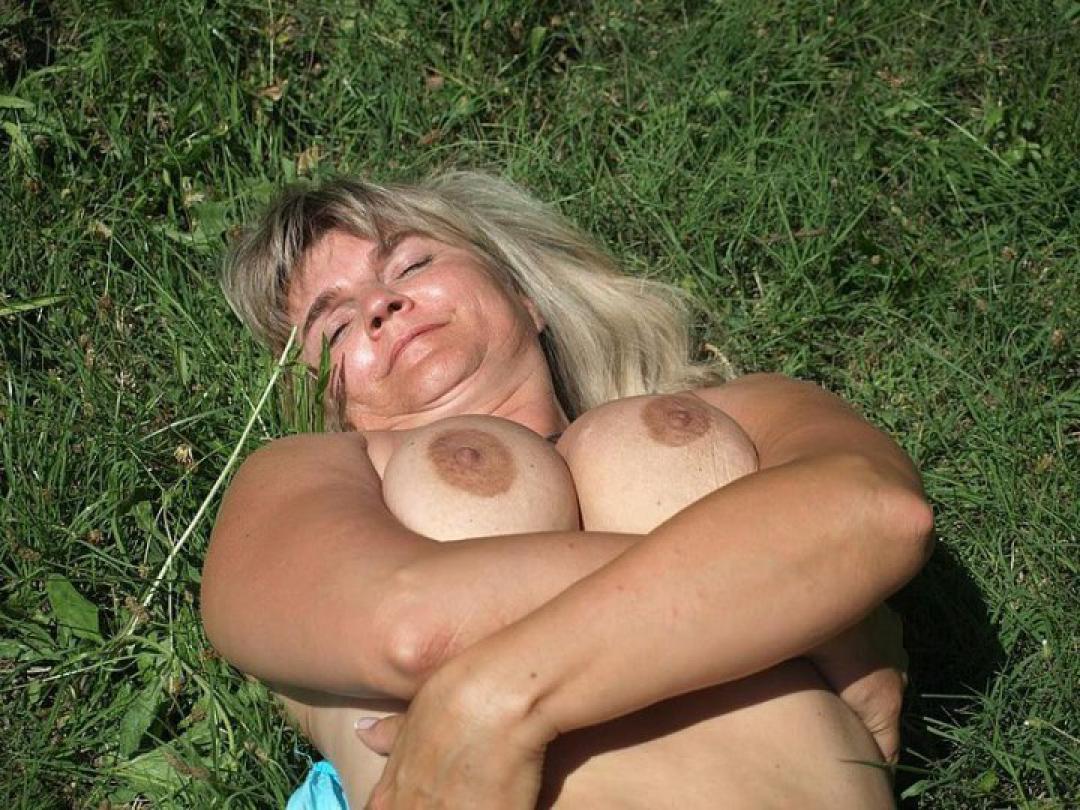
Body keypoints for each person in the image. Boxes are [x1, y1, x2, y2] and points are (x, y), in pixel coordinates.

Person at [201, 172, 933, 809]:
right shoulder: (312, 474)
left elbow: (877, 513)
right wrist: (789, 580)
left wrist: (496, 697)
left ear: (524, 296)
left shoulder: (741, 409)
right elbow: (409, 624)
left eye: (412, 263)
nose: (380, 306)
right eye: (334, 325)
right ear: (324, 397)